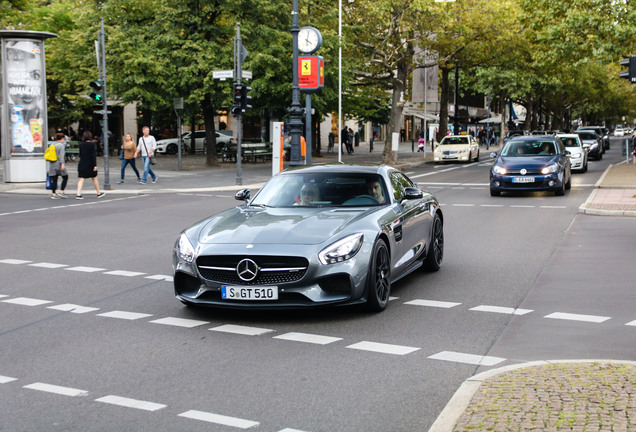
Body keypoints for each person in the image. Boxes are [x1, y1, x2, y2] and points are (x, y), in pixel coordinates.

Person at [76, 130, 105, 199]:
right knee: (94, 178)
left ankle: (78, 194)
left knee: (81, 179)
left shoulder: (81, 144)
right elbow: (93, 156)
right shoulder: (92, 145)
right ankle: (98, 192)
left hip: (82, 163)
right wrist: (95, 165)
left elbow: (80, 155)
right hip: (90, 164)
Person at [48, 132, 69, 199]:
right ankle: (61, 191)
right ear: (62, 138)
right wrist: (62, 164)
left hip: (52, 163)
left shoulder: (52, 145)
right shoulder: (61, 146)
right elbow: (62, 156)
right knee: (65, 177)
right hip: (58, 164)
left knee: (54, 179)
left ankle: (53, 193)